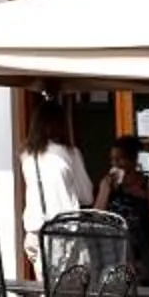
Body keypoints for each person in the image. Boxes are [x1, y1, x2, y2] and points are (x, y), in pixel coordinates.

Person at [18, 97, 90, 256]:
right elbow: (86, 196)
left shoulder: (27, 156)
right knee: (70, 279)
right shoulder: (70, 154)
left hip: (35, 233)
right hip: (63, 233)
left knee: (43, 281)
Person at [94, 137, 149, 281]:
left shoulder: (147, 183)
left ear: (133, 160)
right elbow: (97, 216)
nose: (116, 164)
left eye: (120, 159)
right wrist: (106, 191)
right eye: (113, 160)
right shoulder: (108, 183)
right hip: (116, 245)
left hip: (142, 245)